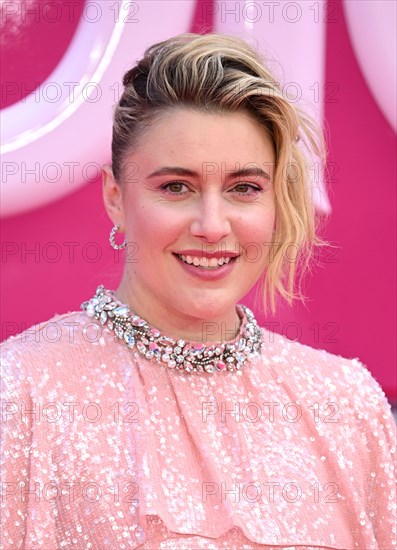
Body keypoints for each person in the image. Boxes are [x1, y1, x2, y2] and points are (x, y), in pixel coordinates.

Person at [1, 33, 396, 550]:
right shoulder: (21, 394)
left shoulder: (346, 404)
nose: (212, 225)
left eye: (244, 188)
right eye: (175, 187)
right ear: (116, 198)